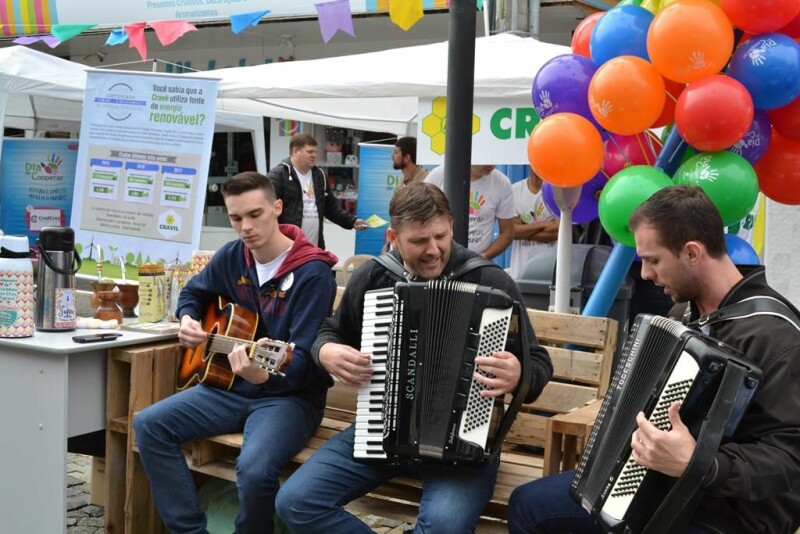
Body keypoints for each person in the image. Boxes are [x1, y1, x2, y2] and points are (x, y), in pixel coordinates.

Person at [507, 185, 800, 534]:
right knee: (528, 504)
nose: (644, 274)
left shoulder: (777, 335)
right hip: (656, 482)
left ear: (692, 252)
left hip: (728, 513)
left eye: (653, 260)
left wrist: (701, 464)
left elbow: (790, 458)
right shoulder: (681, 315)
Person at [276, 182, 553, 533]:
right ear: (394, 236)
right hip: (381, 429)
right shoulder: (375, 276)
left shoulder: (489, 280)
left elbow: (539, 363)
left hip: (463, 442)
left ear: (452, 226)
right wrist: (325, 350)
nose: (433, 250)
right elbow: (330, 330)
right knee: (295, 502)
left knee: (444, 527)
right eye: (419, 241)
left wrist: (517, 374)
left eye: (440, 236)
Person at [134, 171, 339, 534]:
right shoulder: (233, 256)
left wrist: (264, 375)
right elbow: (193, 294)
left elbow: (306, 359)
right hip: (228, 387)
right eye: (235, 218)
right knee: (149, 425)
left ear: (277, 208)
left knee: (255, 469)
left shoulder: (312, 273)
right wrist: (188, 319)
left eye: (255, 214)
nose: (246, 227)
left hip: (289, 398)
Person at [267, 133, 368, 250]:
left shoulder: (319, 175)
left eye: (315, 152)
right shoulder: (278, 175)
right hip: (286, 249)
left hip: (314, 248)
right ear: (295, 151)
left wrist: (352, 222)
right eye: (310, 152)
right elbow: (268, 213)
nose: (314, 155)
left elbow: (331, 209)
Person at [425, 164, 515, 259]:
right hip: (439, 259)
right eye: (486, 158)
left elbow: (507, 233)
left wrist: (481, 258)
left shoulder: (502, 182)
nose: (491, 165)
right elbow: (421, 219)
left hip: (478, 263)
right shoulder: (437, 176)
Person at [509, 171, 559, 279]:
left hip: (550, 272)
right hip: (520, 271)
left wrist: (523, 228)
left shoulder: (557, 191)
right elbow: (512, 232)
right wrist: (546, 224)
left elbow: (557, 232)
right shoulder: (514, 191)